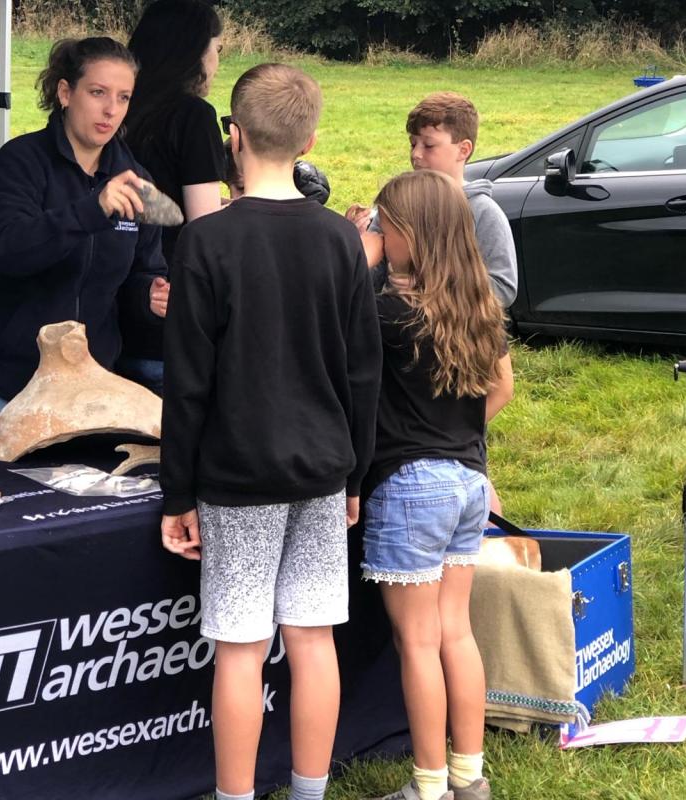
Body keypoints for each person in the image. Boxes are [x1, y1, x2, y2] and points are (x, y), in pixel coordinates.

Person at [158, 63, 382, 800]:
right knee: (314, 640)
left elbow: (187, 386)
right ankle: (311, 794)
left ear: (234, 135)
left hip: (237, 474)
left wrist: (175, 494)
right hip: (322, 466)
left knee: (241, 650)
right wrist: (355, 475)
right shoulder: (342, 241)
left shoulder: (205, 242)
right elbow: (362, 373)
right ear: (310, 139)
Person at [362, 170, 514, 800]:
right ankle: (469, 777)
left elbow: (327, 302)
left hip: (409, 486)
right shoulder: (479, 302)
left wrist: (361, 249)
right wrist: (452, 433)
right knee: (456, 631)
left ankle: (427, 788)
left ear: (408, 234)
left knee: (417, 641)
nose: (379, 234)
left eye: (385, 224)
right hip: (467, 481)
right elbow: (502, 387)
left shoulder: (387, 311)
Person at [0, 37, 165, 449]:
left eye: (123, 97)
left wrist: (150, 297)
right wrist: (91, 210)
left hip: (85, 396)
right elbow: (7, 250)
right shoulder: (20, 162)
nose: (111, 110)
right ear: (65, 93)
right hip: (1, 383)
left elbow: (143, 271)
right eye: (98, 92)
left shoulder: (136, 179)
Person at [119, 0, 226, 393]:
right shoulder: (193, 115)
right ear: (194, 50)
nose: (217, 59)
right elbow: (206, 229)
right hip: (168, 305)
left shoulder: (117, 109)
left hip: (106, 307)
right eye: (217, 48)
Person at [348, 91, 518, 307]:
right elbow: (370, 282)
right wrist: (356, 247)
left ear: (463, 150)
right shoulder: (395, 206)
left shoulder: (484, 212)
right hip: (392, 326)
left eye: (428, 145)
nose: (415, 154)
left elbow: (503, 289)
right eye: (412, 144)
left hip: (454, 333)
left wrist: (431, 287)